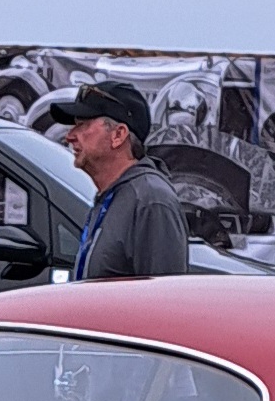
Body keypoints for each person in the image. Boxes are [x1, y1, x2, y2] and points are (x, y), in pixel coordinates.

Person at [50, 80, 190, 279]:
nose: (70, 136)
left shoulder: (150, 200)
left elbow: (162, 301)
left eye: (83, 125)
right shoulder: (115, 196)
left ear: (118, 135)